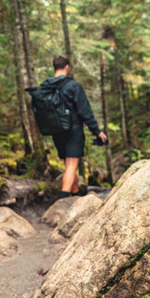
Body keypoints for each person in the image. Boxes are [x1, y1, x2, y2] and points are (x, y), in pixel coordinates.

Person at [42, 55, 107, 198]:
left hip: (56, 130)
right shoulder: (73, 86)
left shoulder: (46, 86)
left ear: (54, 68)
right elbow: (85, 111)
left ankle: (75, 195)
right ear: (67, 67)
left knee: (69, 165)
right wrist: (97, 132)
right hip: (73, 130)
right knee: (72, 165)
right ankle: (63, 200)